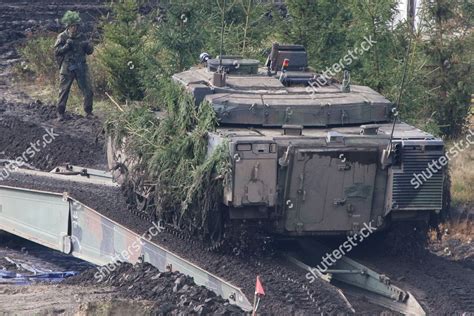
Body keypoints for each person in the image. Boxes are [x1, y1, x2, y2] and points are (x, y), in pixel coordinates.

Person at [54, 11, 94, 121]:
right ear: (68, 26)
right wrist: (66, 46)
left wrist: (88, 46)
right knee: (64, 91)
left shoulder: (82, 36)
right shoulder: (62, 36)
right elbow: (57, 52)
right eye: (72, 26)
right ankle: (60, 113)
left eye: (76, 26)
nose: (74, 28)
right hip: (67, 68)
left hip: (81, 67)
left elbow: (89, 52)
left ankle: (88, 111)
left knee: (88, 90)